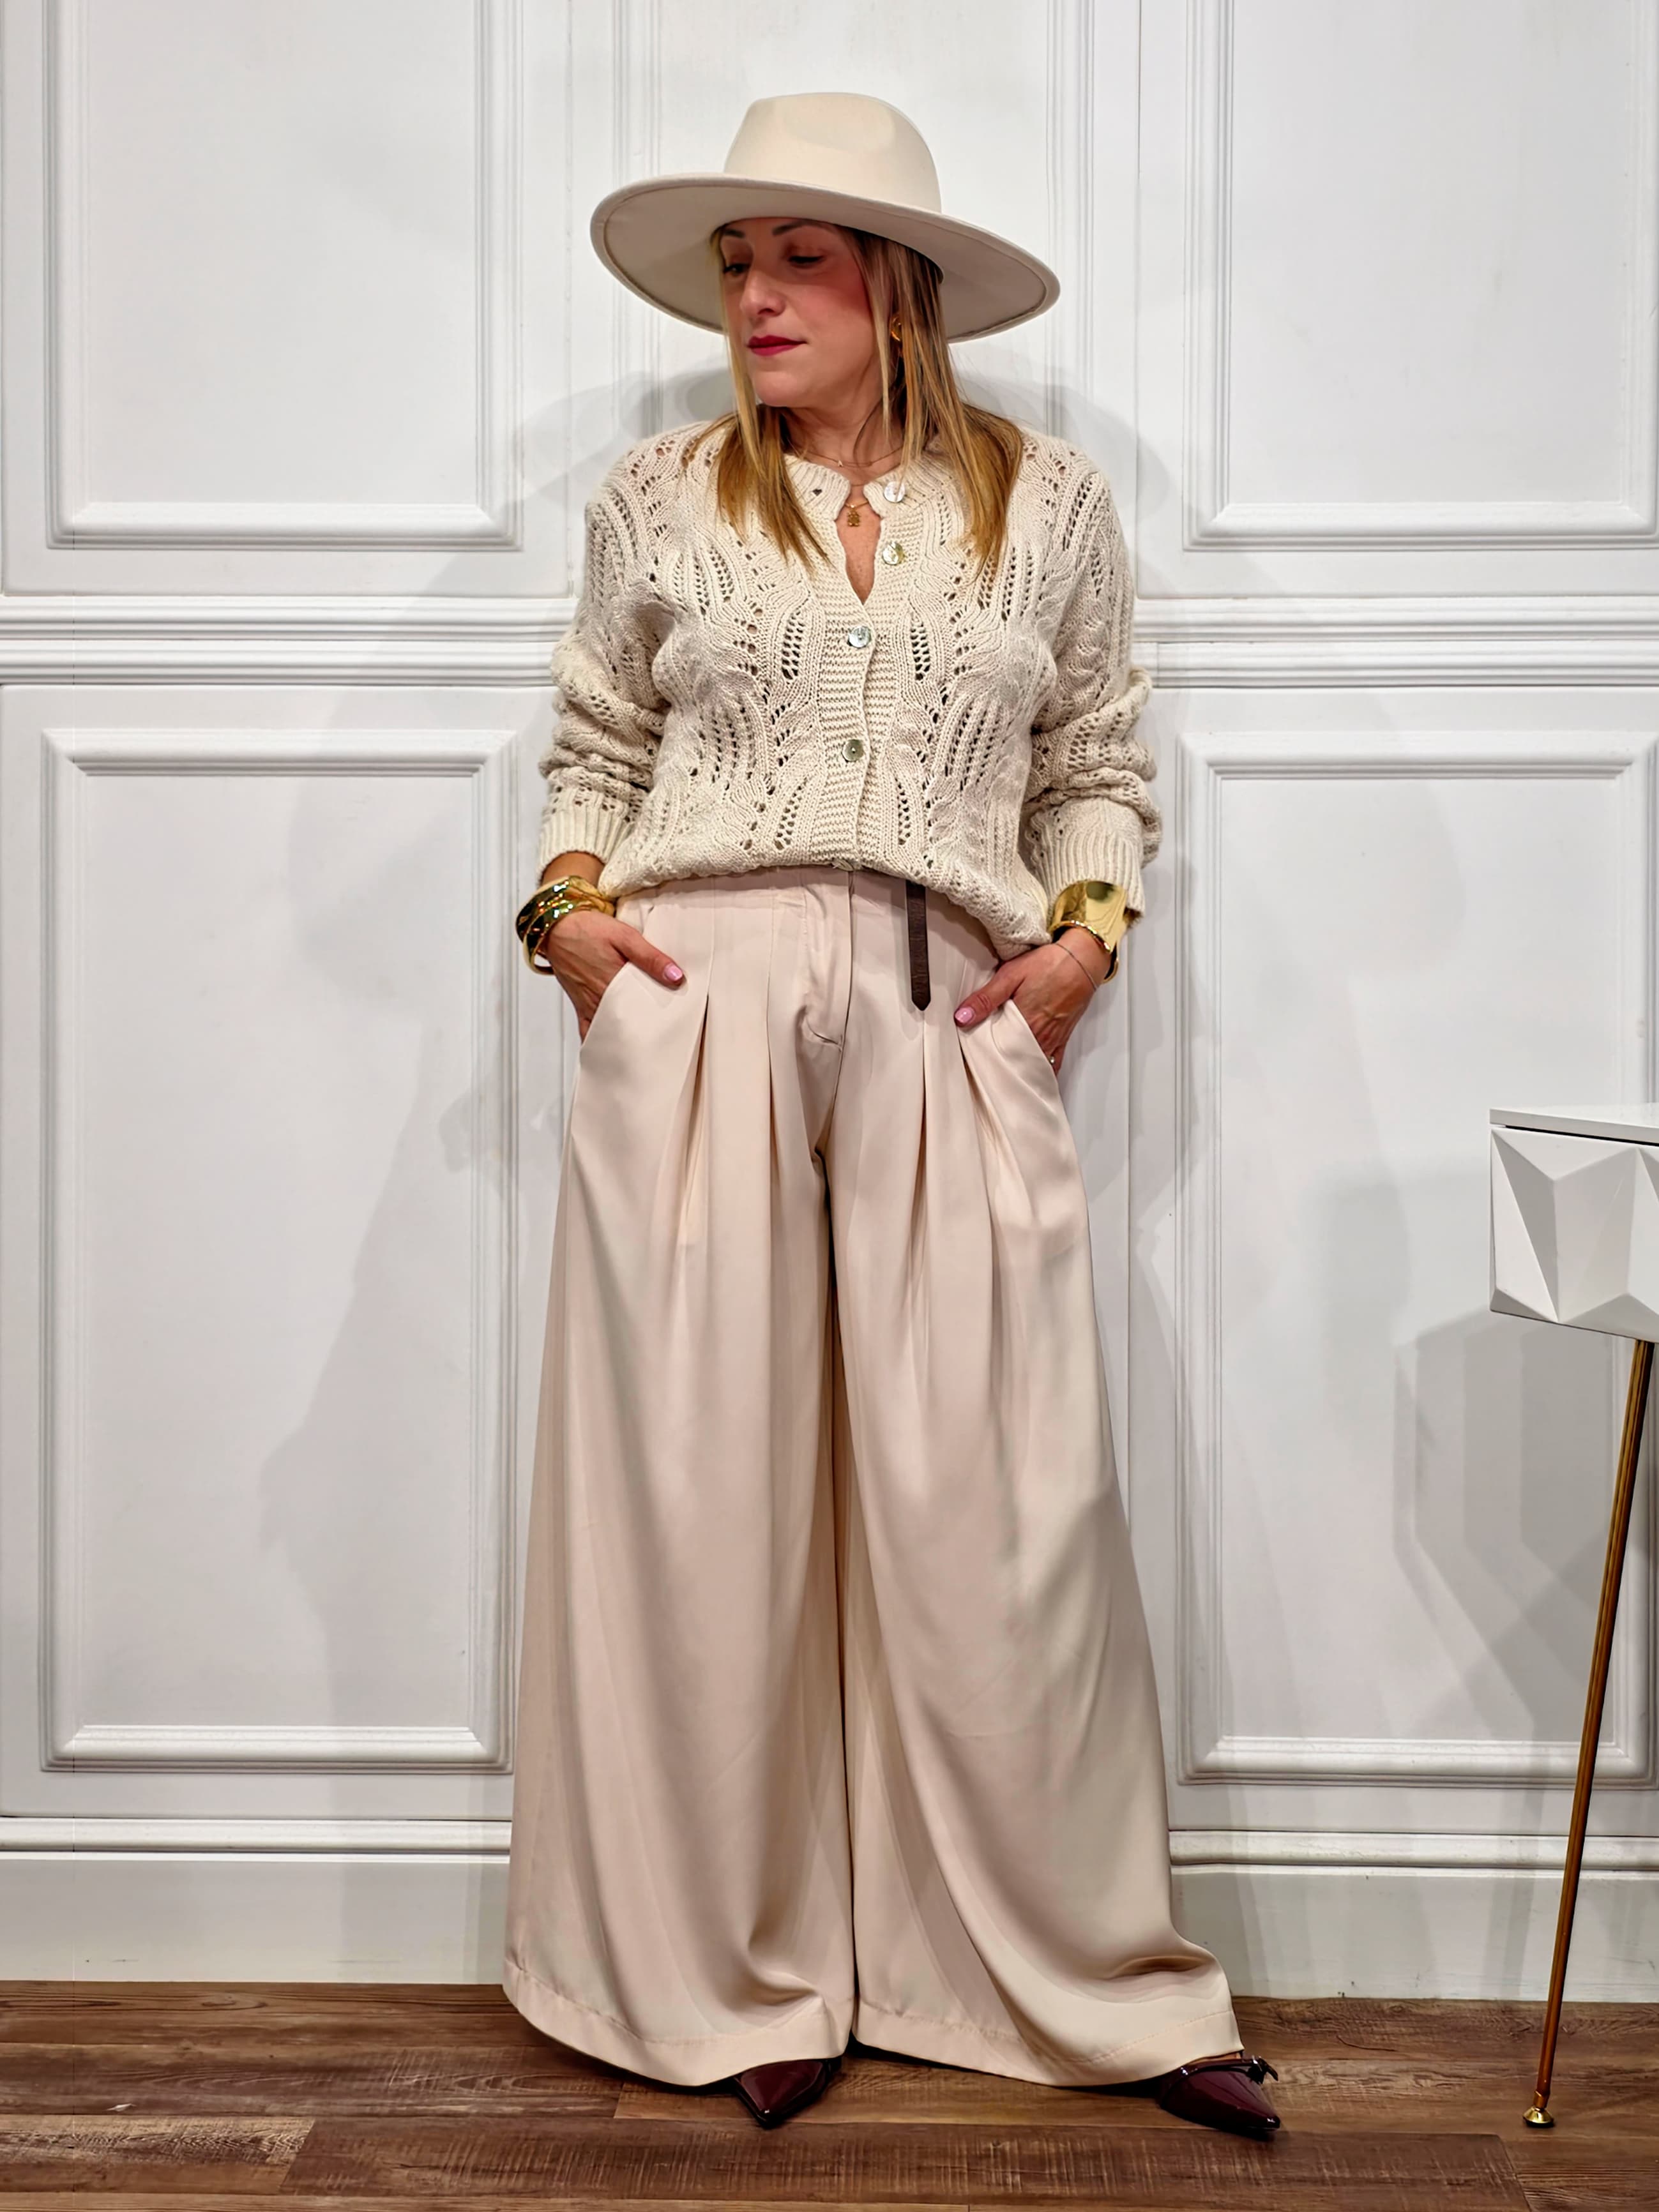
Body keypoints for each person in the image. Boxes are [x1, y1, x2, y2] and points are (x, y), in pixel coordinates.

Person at [501, 91, 1280, 2144]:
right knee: (703, 1496)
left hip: (957, 996)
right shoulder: (661, 495)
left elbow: (1096, 757)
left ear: (900, 286)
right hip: (698, 991)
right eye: (736, 263)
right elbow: (596, 740)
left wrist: (1084, 942)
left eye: (800, 258)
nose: (754, 296)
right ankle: (729, 1969)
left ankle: (1079, 1968)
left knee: (1003, 1499)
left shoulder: (1051, 504)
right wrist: (570, 924)